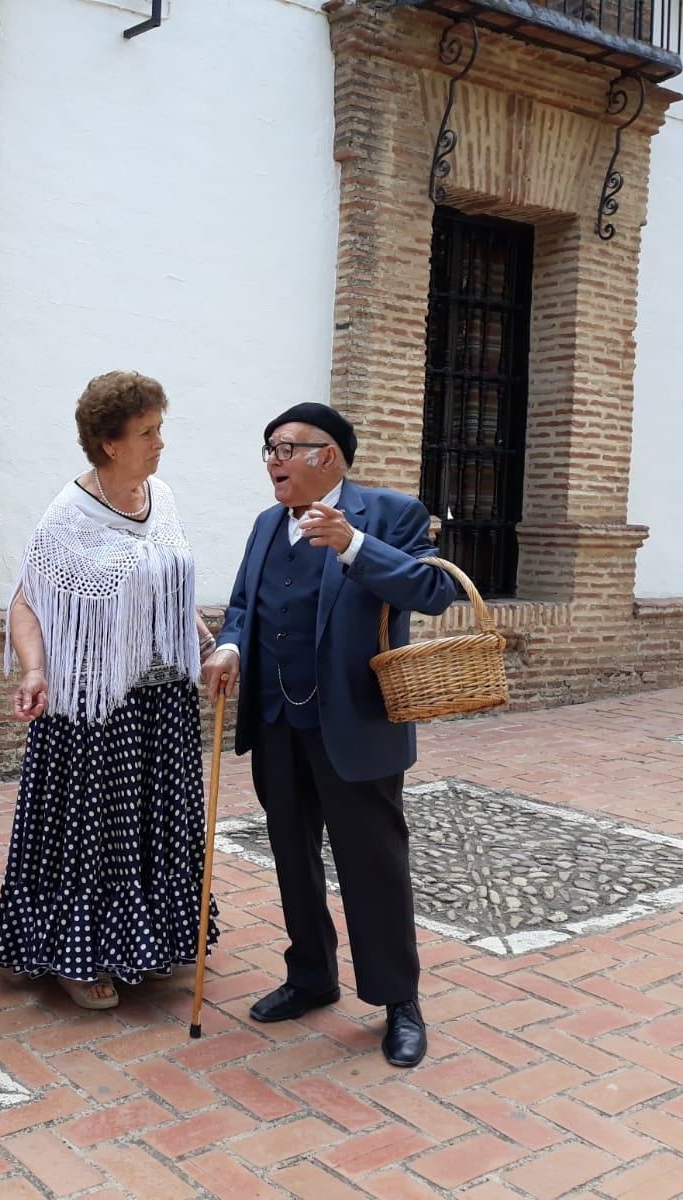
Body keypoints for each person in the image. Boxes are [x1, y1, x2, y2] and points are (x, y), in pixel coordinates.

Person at [200, 402, 457, 1068]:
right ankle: (311, 974)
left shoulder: (389, 514)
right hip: (278, 722)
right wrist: (229, 648)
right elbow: (243, 609)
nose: (273, 462)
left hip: (355, 724)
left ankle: (399, 1000)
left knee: (373, 864)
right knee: (291, 854)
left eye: (286, 449)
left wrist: (353, 546)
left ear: (330, 457)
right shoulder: (265, 525)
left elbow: (432, 591)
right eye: (268, 450)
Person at [0, 370, 217, 1010]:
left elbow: (170, 590)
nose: (160, 442)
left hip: (163, 700)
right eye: (148, 432)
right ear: (111, 443)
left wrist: (205, 648)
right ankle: (77, 957)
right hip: (97, 704)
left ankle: (155, 939)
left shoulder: (159, 497)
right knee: (96, 835)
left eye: (159, 428)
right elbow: (28, 600)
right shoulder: (69, 518)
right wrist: (34, 671)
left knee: (156, 825)